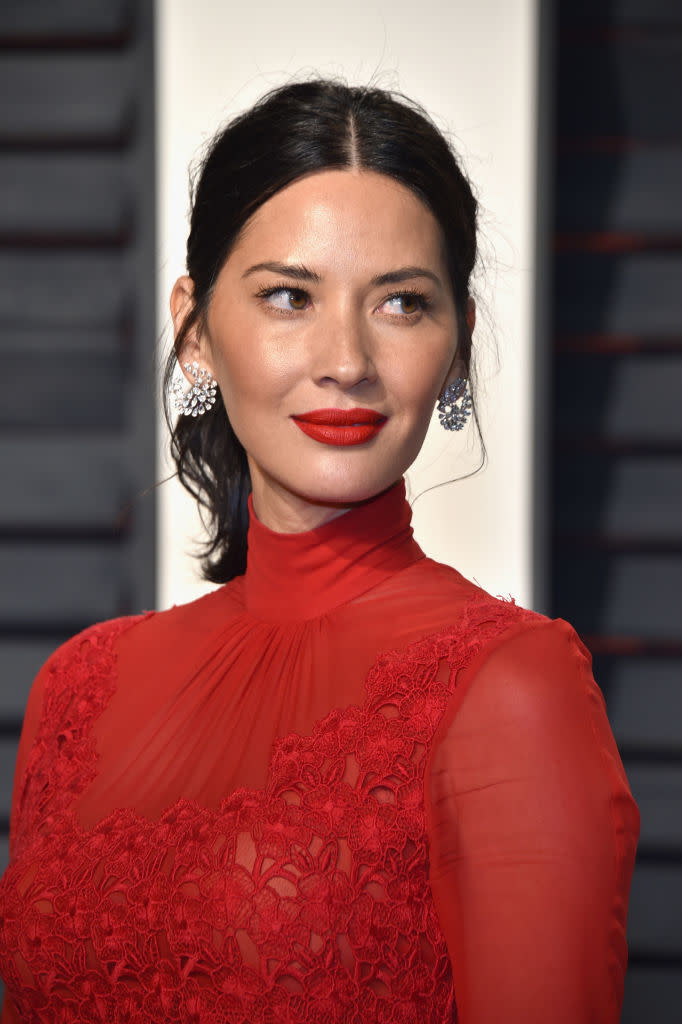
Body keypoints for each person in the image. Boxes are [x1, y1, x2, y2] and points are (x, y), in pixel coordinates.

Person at [0, 79, 639, 1023]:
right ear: (196, 328)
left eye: (402, 304)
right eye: (290, 296)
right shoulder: (77, 686)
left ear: (456, 346)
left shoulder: (513, 682)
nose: (345, 358)